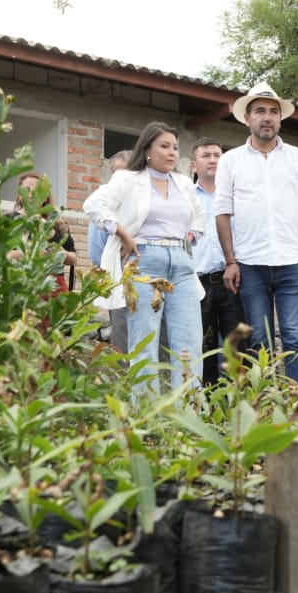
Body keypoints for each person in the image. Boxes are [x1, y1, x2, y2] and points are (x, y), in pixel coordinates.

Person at [214, 83, 298, 382]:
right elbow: (222, 213)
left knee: (296, 337)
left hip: (293, 262)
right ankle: (264, 402)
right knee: (259, 340)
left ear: (280, 119)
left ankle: (296, 404)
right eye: (260, 111)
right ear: (247, 118)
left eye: (273, 112)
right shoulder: (230, 160)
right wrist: (231, 261)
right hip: (250, 264)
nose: (268, 117)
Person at [84, 121, 205, 391]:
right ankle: (145, 414)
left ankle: (188, 410)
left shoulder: (184, 183)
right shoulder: (128, 179)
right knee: (144, 340)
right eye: (165, 146)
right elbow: (93, 205)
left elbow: (199, 216)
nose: (172, 152)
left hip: (182, 264)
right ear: (147, 149)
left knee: (189, 341)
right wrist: (122, 233)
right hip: (144, 261)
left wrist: (192, 235)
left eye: (175, 147)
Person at [189, 138, 245, 385]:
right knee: (204, 346)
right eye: (206, 155)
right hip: (197, 283)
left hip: (233, 281)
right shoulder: (185, 197)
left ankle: (239, 401)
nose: (213, 160)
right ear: (193, 165)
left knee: (238, 345)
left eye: (217, 155)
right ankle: (208, 406)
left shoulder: (238, 197)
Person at [89, 151, 133, 350]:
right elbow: (96, 251)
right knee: (123, 341)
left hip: (148, 281)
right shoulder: (103, 204)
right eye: (118, 174)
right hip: (119, 280)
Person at [13, 172, 78, 289]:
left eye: (37, 191)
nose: (32, 194)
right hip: (20, 285)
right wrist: (29, 254)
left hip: (54, 288)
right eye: (27, 190)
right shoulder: (9, 221)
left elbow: (73, 258)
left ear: (45, 197)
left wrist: (62, 254)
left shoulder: (57, 222)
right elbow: (0, 255)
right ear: (19, 195)